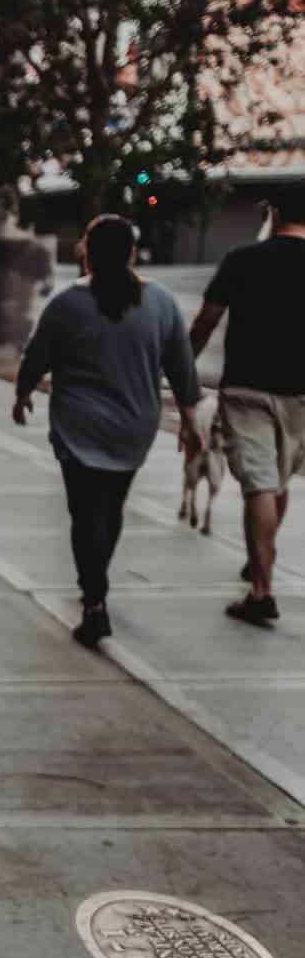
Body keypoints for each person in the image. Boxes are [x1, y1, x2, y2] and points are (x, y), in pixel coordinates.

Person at [13, 214, 203, 648]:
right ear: (132, 253)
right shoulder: (161, 303)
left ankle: (94, 599)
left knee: (84, 513)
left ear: (86, 251)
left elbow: (37, 356)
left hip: (77, 425)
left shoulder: (67, 304)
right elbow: (182, 368)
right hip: (134, 427)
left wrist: (22, 394)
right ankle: (97, 585)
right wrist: (191, 422)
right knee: (111, 509)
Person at [189, 181, 305, 626]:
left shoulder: (242, 260)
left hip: (248, 390)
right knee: (277, 480)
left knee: (258, 484)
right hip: (301, 393)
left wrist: (181, 371)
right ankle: (262, 563)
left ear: (273, 214)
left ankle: (261, 589)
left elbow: (205, 322)